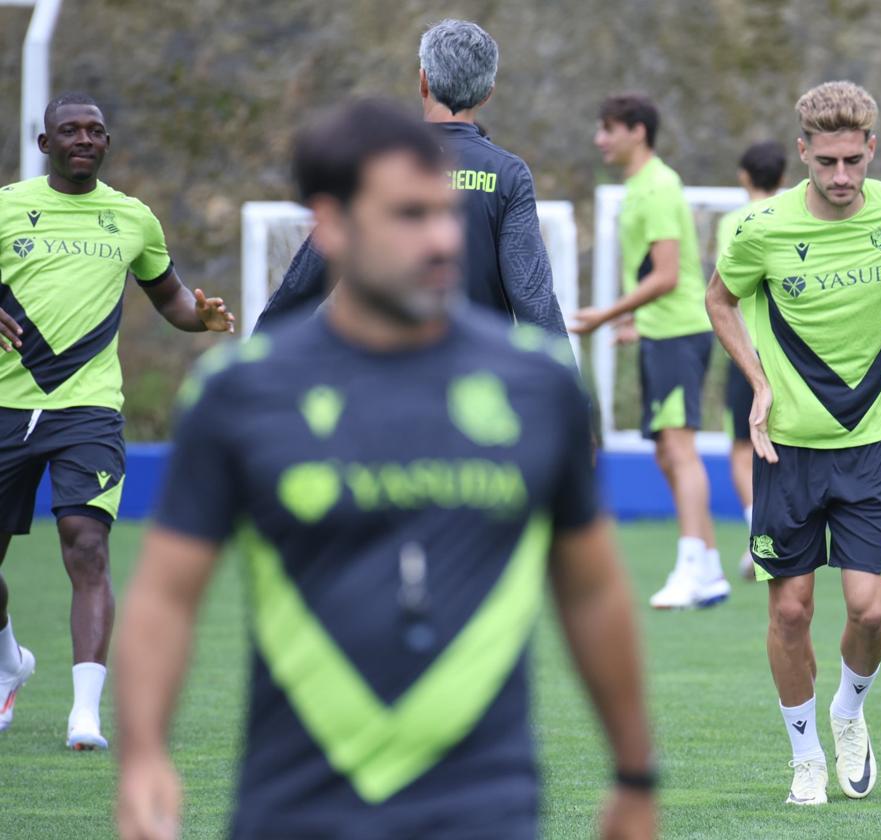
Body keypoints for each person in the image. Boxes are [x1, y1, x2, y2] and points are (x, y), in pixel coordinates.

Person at [115, 100, 655, 840]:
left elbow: (593, 592)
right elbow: (166, 597)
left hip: (486, 809)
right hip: (294, 809)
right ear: (331, 225)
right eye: (408, 215)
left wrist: (634, 775)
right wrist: (143, 756)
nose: (441, 239)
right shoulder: (240, 394)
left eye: (442, 214)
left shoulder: (539, 388)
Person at [706, 81, 881, 805]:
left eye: (854, 160)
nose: (842, 178)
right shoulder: (760, 229)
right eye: (827, 162)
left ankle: (849, 710)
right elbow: (719, 299)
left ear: (871, 148)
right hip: (787, 448)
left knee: (872, 611)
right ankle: (804, 753)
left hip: (872, 443)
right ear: (803, 152)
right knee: (789, 611)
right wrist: (757, 382)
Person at [0, 92, 235, 750]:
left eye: (96, 131)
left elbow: (173, 300)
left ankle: (84, 714)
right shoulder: (6, 207)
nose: (84, 138)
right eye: (69, 130)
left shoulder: (133, 219)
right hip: (5, 407)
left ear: (106, 144)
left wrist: (203, 317)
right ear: (44, 144)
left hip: (89, 409)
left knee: (87, 546)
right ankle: (10, 663)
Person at [255, 19, 566, 338]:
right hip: (480, 372)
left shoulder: (375, 164)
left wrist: (255, 353)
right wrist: (565, 382)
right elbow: (531, 294)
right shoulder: (507, 173)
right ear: (487, 94)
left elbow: (309, 276)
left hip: (386, 367)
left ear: (423, 82)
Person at [574, 92, 728, 611]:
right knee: (666, 450)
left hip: (680, 332)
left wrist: (606, 314)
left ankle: (691, 568)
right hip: (662, 331)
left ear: (636, 131)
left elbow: (667, 275)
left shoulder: (659, 186)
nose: (600, 139)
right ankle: (707, 566)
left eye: (607, 128)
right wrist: (636, 322)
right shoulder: (639, 187)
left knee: (679, 449)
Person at [714, 141, 788, 580]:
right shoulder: (793, 216)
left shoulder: (734, 221)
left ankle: (759, 537)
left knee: (743, 446)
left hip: (747, 349)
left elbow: (729, 287)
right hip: (791, 349)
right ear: (783, 177)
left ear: (744, 176)